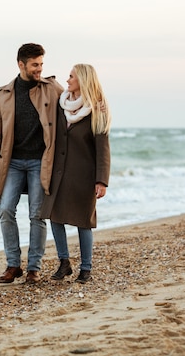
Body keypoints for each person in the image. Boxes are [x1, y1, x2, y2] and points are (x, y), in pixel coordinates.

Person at [0, 43, 64, 284]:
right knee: (6, 209)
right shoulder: (3, 95)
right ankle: (13, 265)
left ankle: (34, 268)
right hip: (12, 163)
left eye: (41, 64)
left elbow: (73, 103)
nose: (39, 69)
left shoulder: (52, 88)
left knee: (37, 215)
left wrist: (96, 104)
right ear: (21, 65)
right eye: (35, 65)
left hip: (41, 161)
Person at [40, 63, 111, 283]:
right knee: (54, 216)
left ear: (82, 80)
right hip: (58, 173)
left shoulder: (96, 110)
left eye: (71, 77)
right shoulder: (63, 105)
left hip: (84, 176)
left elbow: (103, 149)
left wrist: (101, 181)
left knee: (84, 221)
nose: (68, 80)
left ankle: (86, 269)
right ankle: (64, 263)